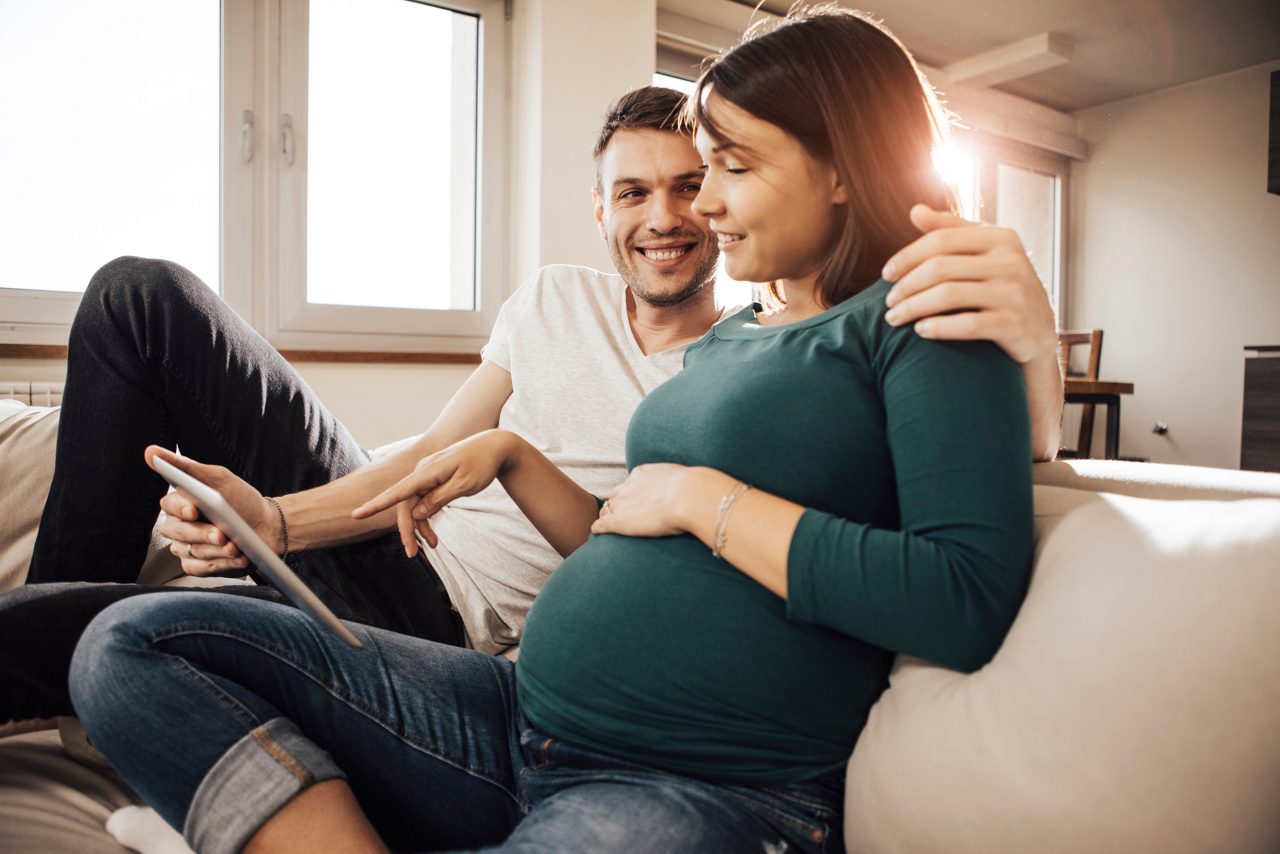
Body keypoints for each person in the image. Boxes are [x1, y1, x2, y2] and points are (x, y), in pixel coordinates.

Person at [68, 7, 1037, 852]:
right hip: (514, 714)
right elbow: (622, 532)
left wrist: (708, 498)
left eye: (726, 168)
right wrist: (509, 454)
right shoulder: (745, 334)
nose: (699, 204)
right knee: (123, 644)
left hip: (695, 777)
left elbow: (964, 588)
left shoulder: (922, 318)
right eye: (672, 180)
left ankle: (247, 820)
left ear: (840, 168)